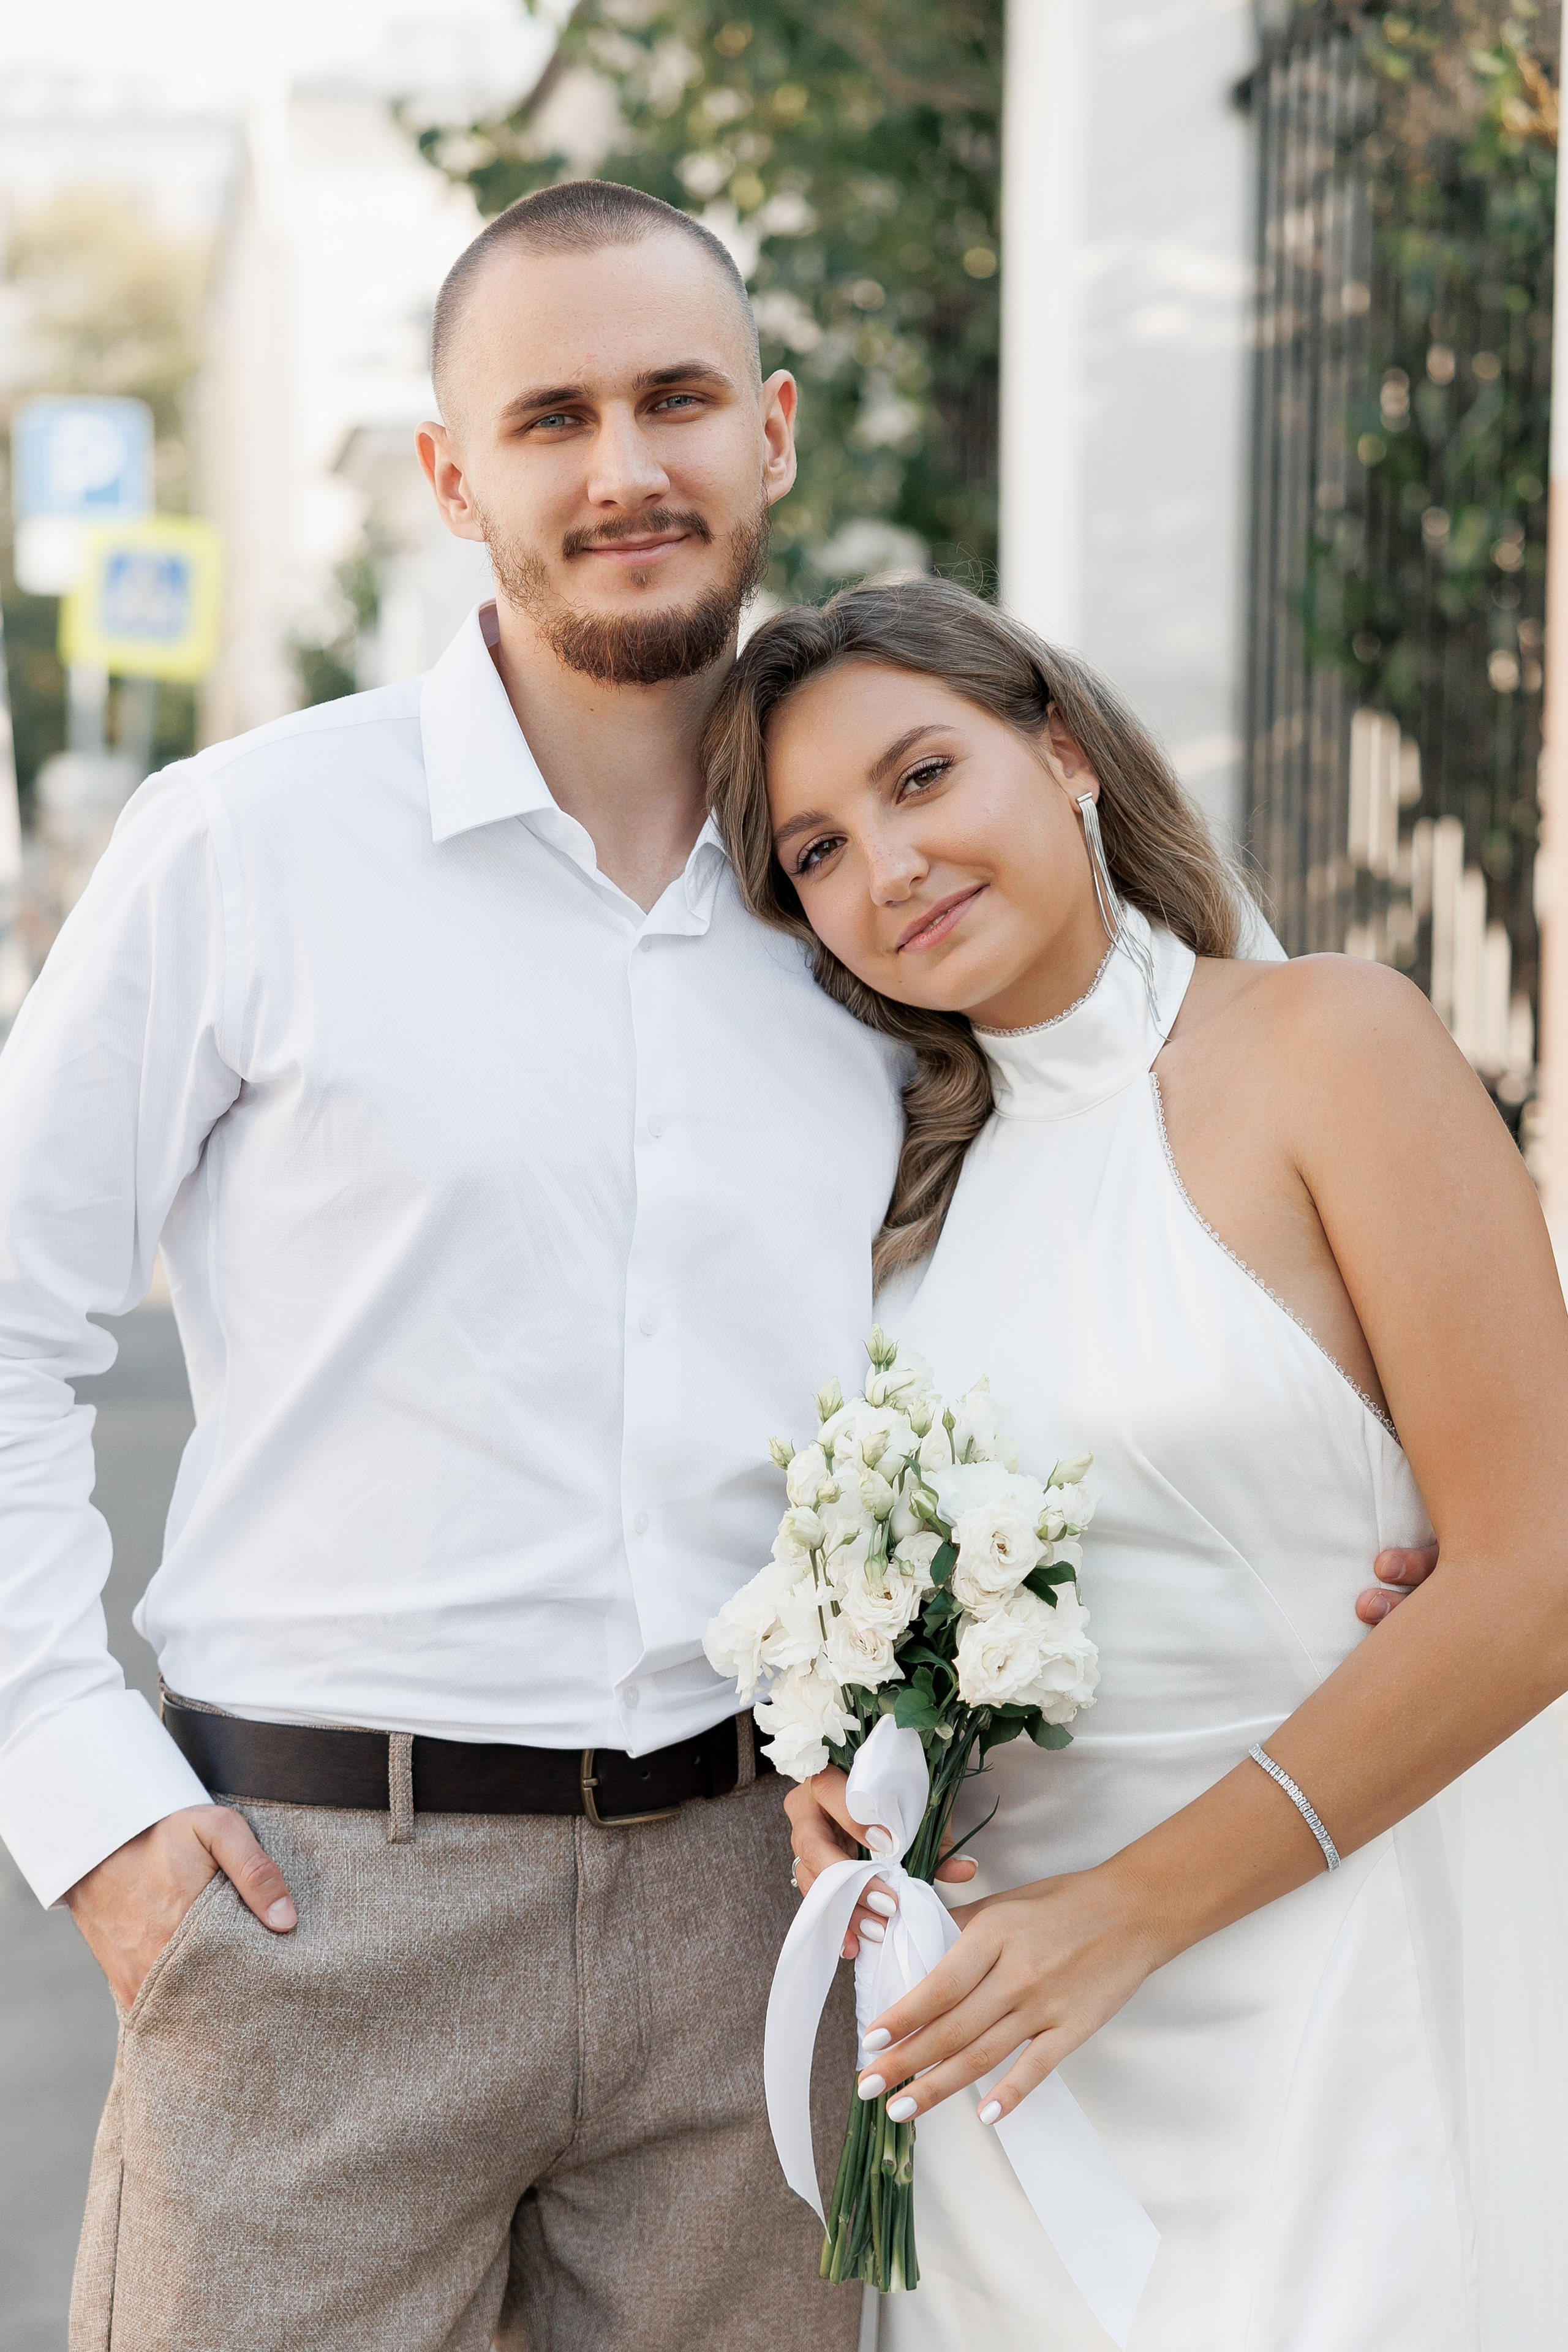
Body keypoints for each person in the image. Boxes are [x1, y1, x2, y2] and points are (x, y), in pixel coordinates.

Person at [0, 187, 1430, 2352]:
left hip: (753, 1920)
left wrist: (1373, 1496)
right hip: (316, 1905)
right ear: (453, 477)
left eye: (674, 398)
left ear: (767, 430)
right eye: (551, 417)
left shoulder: (871, 909)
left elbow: (1074, 1263)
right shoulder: (248, 843)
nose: (623, 467)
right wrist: (91, 1813)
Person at [707, 577, 1568, 2351]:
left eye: (924, 775)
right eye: (817, 852)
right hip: (1012, 2071)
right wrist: (861, 1768)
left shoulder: (1334, 1044)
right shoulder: (910, 1218)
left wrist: (1130, 1917)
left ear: (1067, 749)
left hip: (1304, 1997)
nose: (888, 864)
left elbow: (1538, 1572)